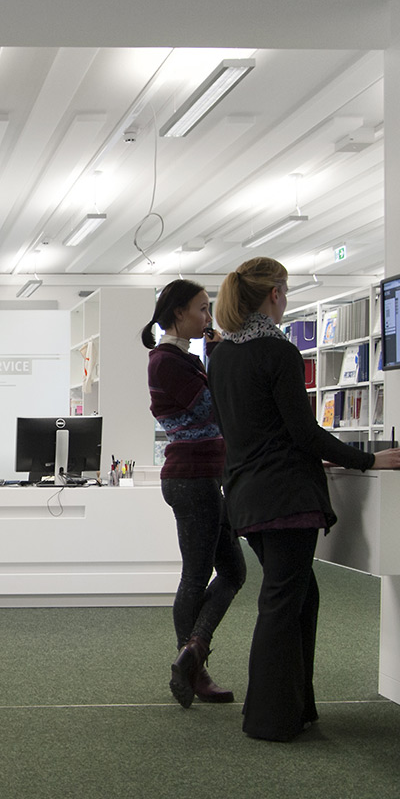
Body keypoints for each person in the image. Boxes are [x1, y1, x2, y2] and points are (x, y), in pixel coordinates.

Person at [207, 258, 400, 742]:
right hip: (285, 497)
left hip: (247, 495)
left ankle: (297, 707)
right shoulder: (279, 351)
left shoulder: (222, 356)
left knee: (300, 596)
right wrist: (369, 459)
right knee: (282, 603)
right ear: (276, 294)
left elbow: (248, 429)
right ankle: (269, 719)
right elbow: (303, 431)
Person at [142, 279, 247, 708]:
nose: (208, 318)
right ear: (178, 313)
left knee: (233, 571)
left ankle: (192, 654)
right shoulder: (166, 361)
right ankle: (192, 665)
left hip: (204, 477)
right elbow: (214, 409)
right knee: (196, 575)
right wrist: (220, 359)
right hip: (192, 479)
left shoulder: (183, 358)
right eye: (202, 309)